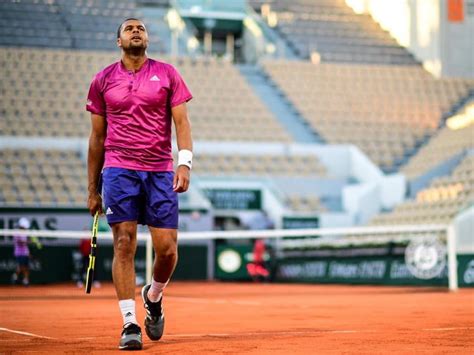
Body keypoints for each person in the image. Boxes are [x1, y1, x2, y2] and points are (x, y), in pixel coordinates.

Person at [86, 18, 193, 351]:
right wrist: (93, 188)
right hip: (119, 169)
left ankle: (153, 295)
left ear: (147, 38)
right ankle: (129, 322)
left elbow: (182, 123)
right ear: (118, 40)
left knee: (167, 250)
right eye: (129, 29)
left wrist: (184, 162)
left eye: (141, 28)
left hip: (160, 170)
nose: (136, 31)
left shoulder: (168, 74)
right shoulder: (102, 80)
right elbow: (97, 137)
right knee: (123, 244)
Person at [11, 217, 31, 286]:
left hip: (25, 252)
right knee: (21, 266)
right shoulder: (16, 232)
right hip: (19, 253)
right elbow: (19, 242)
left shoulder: (25, 233)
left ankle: (26, 280)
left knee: (26, 267)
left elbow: (25, 244)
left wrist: (28, 253)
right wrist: (27, 241)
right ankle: (15, 276)